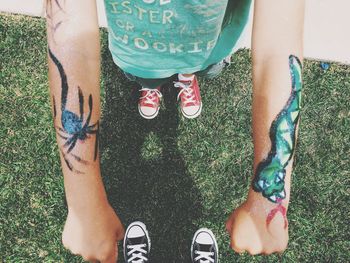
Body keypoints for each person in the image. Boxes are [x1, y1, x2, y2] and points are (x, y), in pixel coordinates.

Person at [45, 0, 305, 262]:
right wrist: (83, 202)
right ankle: (152, 85)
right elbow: (69, 31)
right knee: (147, 75)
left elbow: (278, 42)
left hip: (210, 45)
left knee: (197, 65)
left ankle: (185, 76)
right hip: (138, 54)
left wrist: (270, 199)